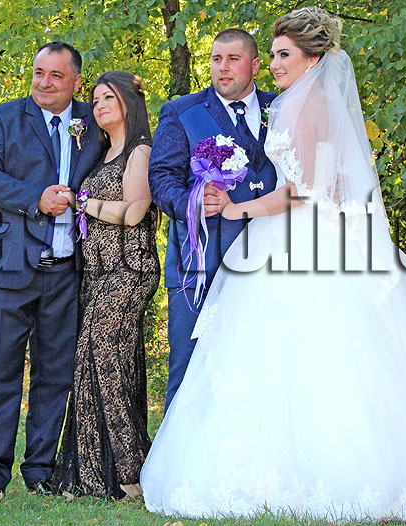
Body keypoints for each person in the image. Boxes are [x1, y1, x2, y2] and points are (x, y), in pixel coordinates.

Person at [140, 7, 406, 522]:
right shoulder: (306, 102)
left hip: (299, 237)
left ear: (312, 59)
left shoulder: (300, 106)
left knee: (313, 356)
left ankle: (320, 471)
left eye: (282, 55)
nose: (275, 65)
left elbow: (301, 191)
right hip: (306, 234)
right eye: (273, 55)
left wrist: (240, 208)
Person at [0, 41, 101, 500]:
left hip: (67, 270)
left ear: (76, 81)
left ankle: (41, 470)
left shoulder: (93, 122)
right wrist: (34, 198)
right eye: (38, 73)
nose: (44, 82)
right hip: (6, 268)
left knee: (55, 374)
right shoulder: (4, 118)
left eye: (55, 76)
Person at [149, 28, 278, 412]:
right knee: (189, 372)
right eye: (216, 59)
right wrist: (193, 201)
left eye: (233, 59)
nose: (223, 67)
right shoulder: (182, 112)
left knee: (261, 371)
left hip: (269, 263)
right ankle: (176, 452)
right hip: (199, 263)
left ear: (255, 65)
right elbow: (161, 179)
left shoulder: (282, 109)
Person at [50, 71, 160, 501]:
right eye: (95, 100)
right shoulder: (101, 153)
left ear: (129, 102)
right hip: (98, 272)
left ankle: (132, 472)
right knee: (94, 359)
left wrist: (84, 202)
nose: (99, 106)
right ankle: (94, 474)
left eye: (108, 98)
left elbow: (134, 212)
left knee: (105, 353)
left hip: (129, 268)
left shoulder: (140, 150)